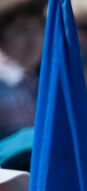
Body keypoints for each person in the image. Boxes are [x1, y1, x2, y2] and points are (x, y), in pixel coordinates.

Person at [0, 0, 41, 140]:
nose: (32, 40)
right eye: (21, 29)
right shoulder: (3, 81)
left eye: (37, 29)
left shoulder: (32, 82)